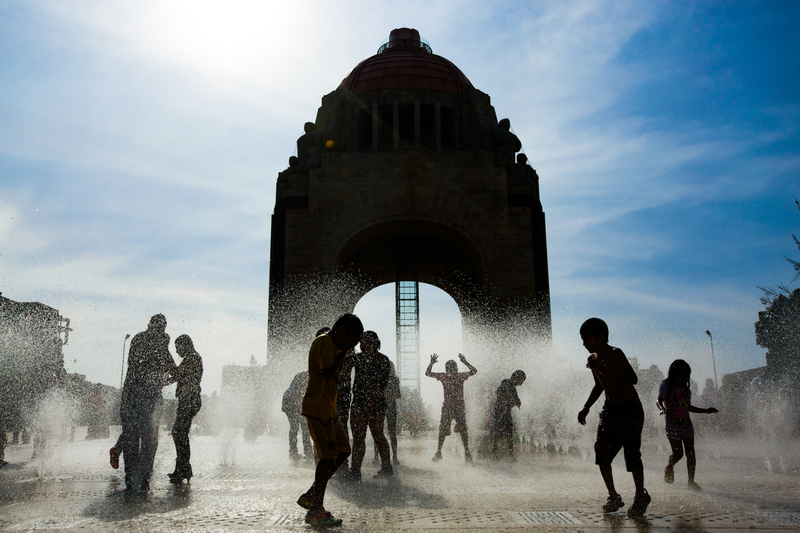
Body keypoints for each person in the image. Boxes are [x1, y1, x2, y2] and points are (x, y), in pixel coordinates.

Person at [577, 318, 650, 518]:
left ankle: (640, 495)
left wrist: (604, 366)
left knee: (632, 453)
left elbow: (632, 378)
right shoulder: (593, 359)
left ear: (601, 337)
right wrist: (586, 407)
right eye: (582, 339)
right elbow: (599, 385)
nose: (584, 343)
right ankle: (613, 496)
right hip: (610, 408)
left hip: (630, 408)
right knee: (602, 452)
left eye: (587, 339)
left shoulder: (616, 353)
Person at [296, 313, 363, 527]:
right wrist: (344, 352)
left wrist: (342, 352)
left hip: (328, 408)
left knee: (344, 450)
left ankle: (312, 494)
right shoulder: (325, 342)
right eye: (352, 340)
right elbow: (326, 373)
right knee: (326, 457)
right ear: (342, 331)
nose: (352, 346)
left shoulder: (334, 346)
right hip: (317, 407)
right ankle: (315, 510)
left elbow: (335, 376)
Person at [117, 314, 176, 492]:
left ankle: (131, 480)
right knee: (149, 440)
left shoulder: (139, 339)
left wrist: (163, 379)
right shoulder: (159, 341)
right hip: (147, 398)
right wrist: (167, 379)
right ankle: (143, 479)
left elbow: (138, 367)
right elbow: (170, 367)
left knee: (131, 439)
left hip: (130, 397)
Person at [657, 359, 718, 491]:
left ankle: (691, 482)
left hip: (686, 425)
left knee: (691, 453)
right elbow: (659, 400)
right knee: (678, 453)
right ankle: (670, 466)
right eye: (682, 376)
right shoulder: (666, 385)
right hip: (672, 425)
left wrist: (705, 411)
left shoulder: (686, 390)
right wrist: (661, 408)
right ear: (674, 374)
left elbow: (687, 407)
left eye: (687, 376)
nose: (685, 379)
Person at [346, 331, 393, 480]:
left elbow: (381, 386)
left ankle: (387, 467)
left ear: (374, 344)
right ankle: (355, 471)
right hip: (359, 402)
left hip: (376, 404)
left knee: (378, 435)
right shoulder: (358, 358)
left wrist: (369, 402)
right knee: (358, 438)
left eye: (365, 342)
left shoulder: (384, 360)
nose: (362, 345)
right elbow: (345, 367)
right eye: (361, 343)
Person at [425, 353, 477, 462]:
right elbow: (427, 373)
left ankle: (466, 452)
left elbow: (474, 371)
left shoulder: (454, 376)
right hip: (452, 407)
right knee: (446, 429)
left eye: (454, 370)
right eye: (451, 370)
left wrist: (465, 362)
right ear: (448, 370)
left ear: (456, 369)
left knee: (460, 429)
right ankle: (441, 452)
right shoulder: (449, 376)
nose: (453, 372)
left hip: (454, 407)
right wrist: (431, 363)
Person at [167, 334, 203, 483]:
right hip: (188, 399)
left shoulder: (193, 358)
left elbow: (178, 374)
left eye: (178, 348)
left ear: (185, 345)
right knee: (180, 433)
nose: (177, 351)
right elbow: (177, 376)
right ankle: (182, 468)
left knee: (179, 433)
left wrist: (167, 359)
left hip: (190, 399)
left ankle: (184, 469)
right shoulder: (191, 358)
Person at [490, 370, 526, 458]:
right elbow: (498, 391)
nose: (520, 384)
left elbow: (516, 399)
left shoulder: (513, 387)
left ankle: (510, 452)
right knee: (498, 430)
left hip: (507, 411)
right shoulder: (505, 382)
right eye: (520, 381)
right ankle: (495, 450)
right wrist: (506, 400)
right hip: (499, 410)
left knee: (509, 431)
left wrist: (517, 401)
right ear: (516, 378)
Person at [374, 361, 401, 464]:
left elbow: (398, 395)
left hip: (390, 408)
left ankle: (394, 456)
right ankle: (377, 455)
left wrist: (389, 394)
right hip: (382, 407)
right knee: (379, 431)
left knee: (391, 433)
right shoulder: (380, 378)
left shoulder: (394, 379)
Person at [282, 370, 312, 461]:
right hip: (290, 401)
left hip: (289, 400)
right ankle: (302, 452)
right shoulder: (305, 377)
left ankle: (299, 452)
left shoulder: (305, 375)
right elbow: (300, 393)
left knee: (301, 427)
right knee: (299, 426)